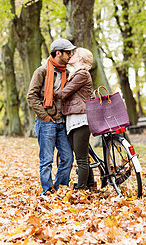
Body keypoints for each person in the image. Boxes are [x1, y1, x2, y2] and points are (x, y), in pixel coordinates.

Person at [27, 38, 75, 195]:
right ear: (58, 53)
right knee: (46, 160)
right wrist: (45, 116)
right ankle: (47, 191)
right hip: (46, 122)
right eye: (68, 53)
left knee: (67, 158)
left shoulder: (67, 73)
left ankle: (59, 188)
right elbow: (31, 96)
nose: (70, 55)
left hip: (63, 122)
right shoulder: (41, 72)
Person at [54, 47, 95, 190]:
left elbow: (65, 92)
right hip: (73, 117)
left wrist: (48, 92)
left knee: (81, 158)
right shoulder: (75, 74)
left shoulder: (82, 74)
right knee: (82, 155)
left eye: (75, 54)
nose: (71, 55)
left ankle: (81, 188)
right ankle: (90, 184)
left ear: (80, 58)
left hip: (81, 118)